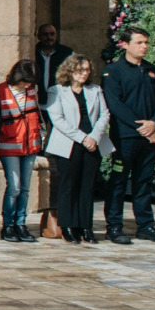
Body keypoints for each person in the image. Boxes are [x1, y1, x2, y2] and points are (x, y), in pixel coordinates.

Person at [101, 26, 155, 244]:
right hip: (126, 136)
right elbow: (115, 104)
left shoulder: (154, 71)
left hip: (151, 137)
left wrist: (154, 123)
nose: (144, 46)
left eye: (146, 42)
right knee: (119, 181)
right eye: (139, 42)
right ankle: (115, 226)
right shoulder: (113, 72)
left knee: (144, 181)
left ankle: (146, 225)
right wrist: (141, 127)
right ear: (125, 44)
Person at [46, 53, 109, 244]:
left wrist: (94, 137)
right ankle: (67, 226)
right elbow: (58, 120)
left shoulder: (95, 90)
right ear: (70, 70)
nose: (84, 74)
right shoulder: (56, 91)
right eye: (80, 70)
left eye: (87, 70)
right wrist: (83, 138)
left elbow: (104, 114)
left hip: (92, 143)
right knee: (69, 185)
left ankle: (85, 226)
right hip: (69, 144)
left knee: (87, 186)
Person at [0, 59, 43, 243]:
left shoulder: (32, 91)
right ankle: (8, 224)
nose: (27, 85)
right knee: (14, 187)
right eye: (25, 81)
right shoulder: (1, 90)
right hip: (10, 145)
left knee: (25, 188)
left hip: (30, 145)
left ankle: (20, 223)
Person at [34, 23, 74, 108]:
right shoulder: (32, 53)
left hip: (60, 102)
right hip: (37, 102)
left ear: (56, 35)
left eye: (52, 34)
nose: (49, 37)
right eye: (45, 34)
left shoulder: (67, 53)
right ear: (38, 36)